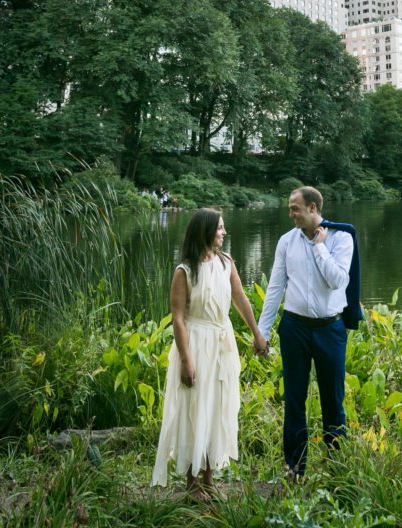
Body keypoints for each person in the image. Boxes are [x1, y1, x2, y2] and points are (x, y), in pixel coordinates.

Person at [152, 207, 268, 498]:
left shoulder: (226, 263)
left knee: (216, 407)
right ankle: (192, 484)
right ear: (205, 231)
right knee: (195, 409)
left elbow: (240, 299)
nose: (223, 233)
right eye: (219, 228)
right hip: (196, 342)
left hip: (221, 341)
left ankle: (209, 480)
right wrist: (186, 360)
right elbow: (177, 318)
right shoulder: (185, 271)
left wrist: (256, 334)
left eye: (223, 228)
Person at [256, 186, 360, 479]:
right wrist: (262, 331)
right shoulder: (286, 242)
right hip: (294, 328)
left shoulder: (342, 238)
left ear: (313, 208)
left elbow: (338, 281)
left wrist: (319, 247)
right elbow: (275, 288)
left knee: (333, 399)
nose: (291, 214)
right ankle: (295, 467)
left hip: (331, 329)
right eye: (290, 208)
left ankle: (336, 465)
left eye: (295, 209)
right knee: (294, 398)